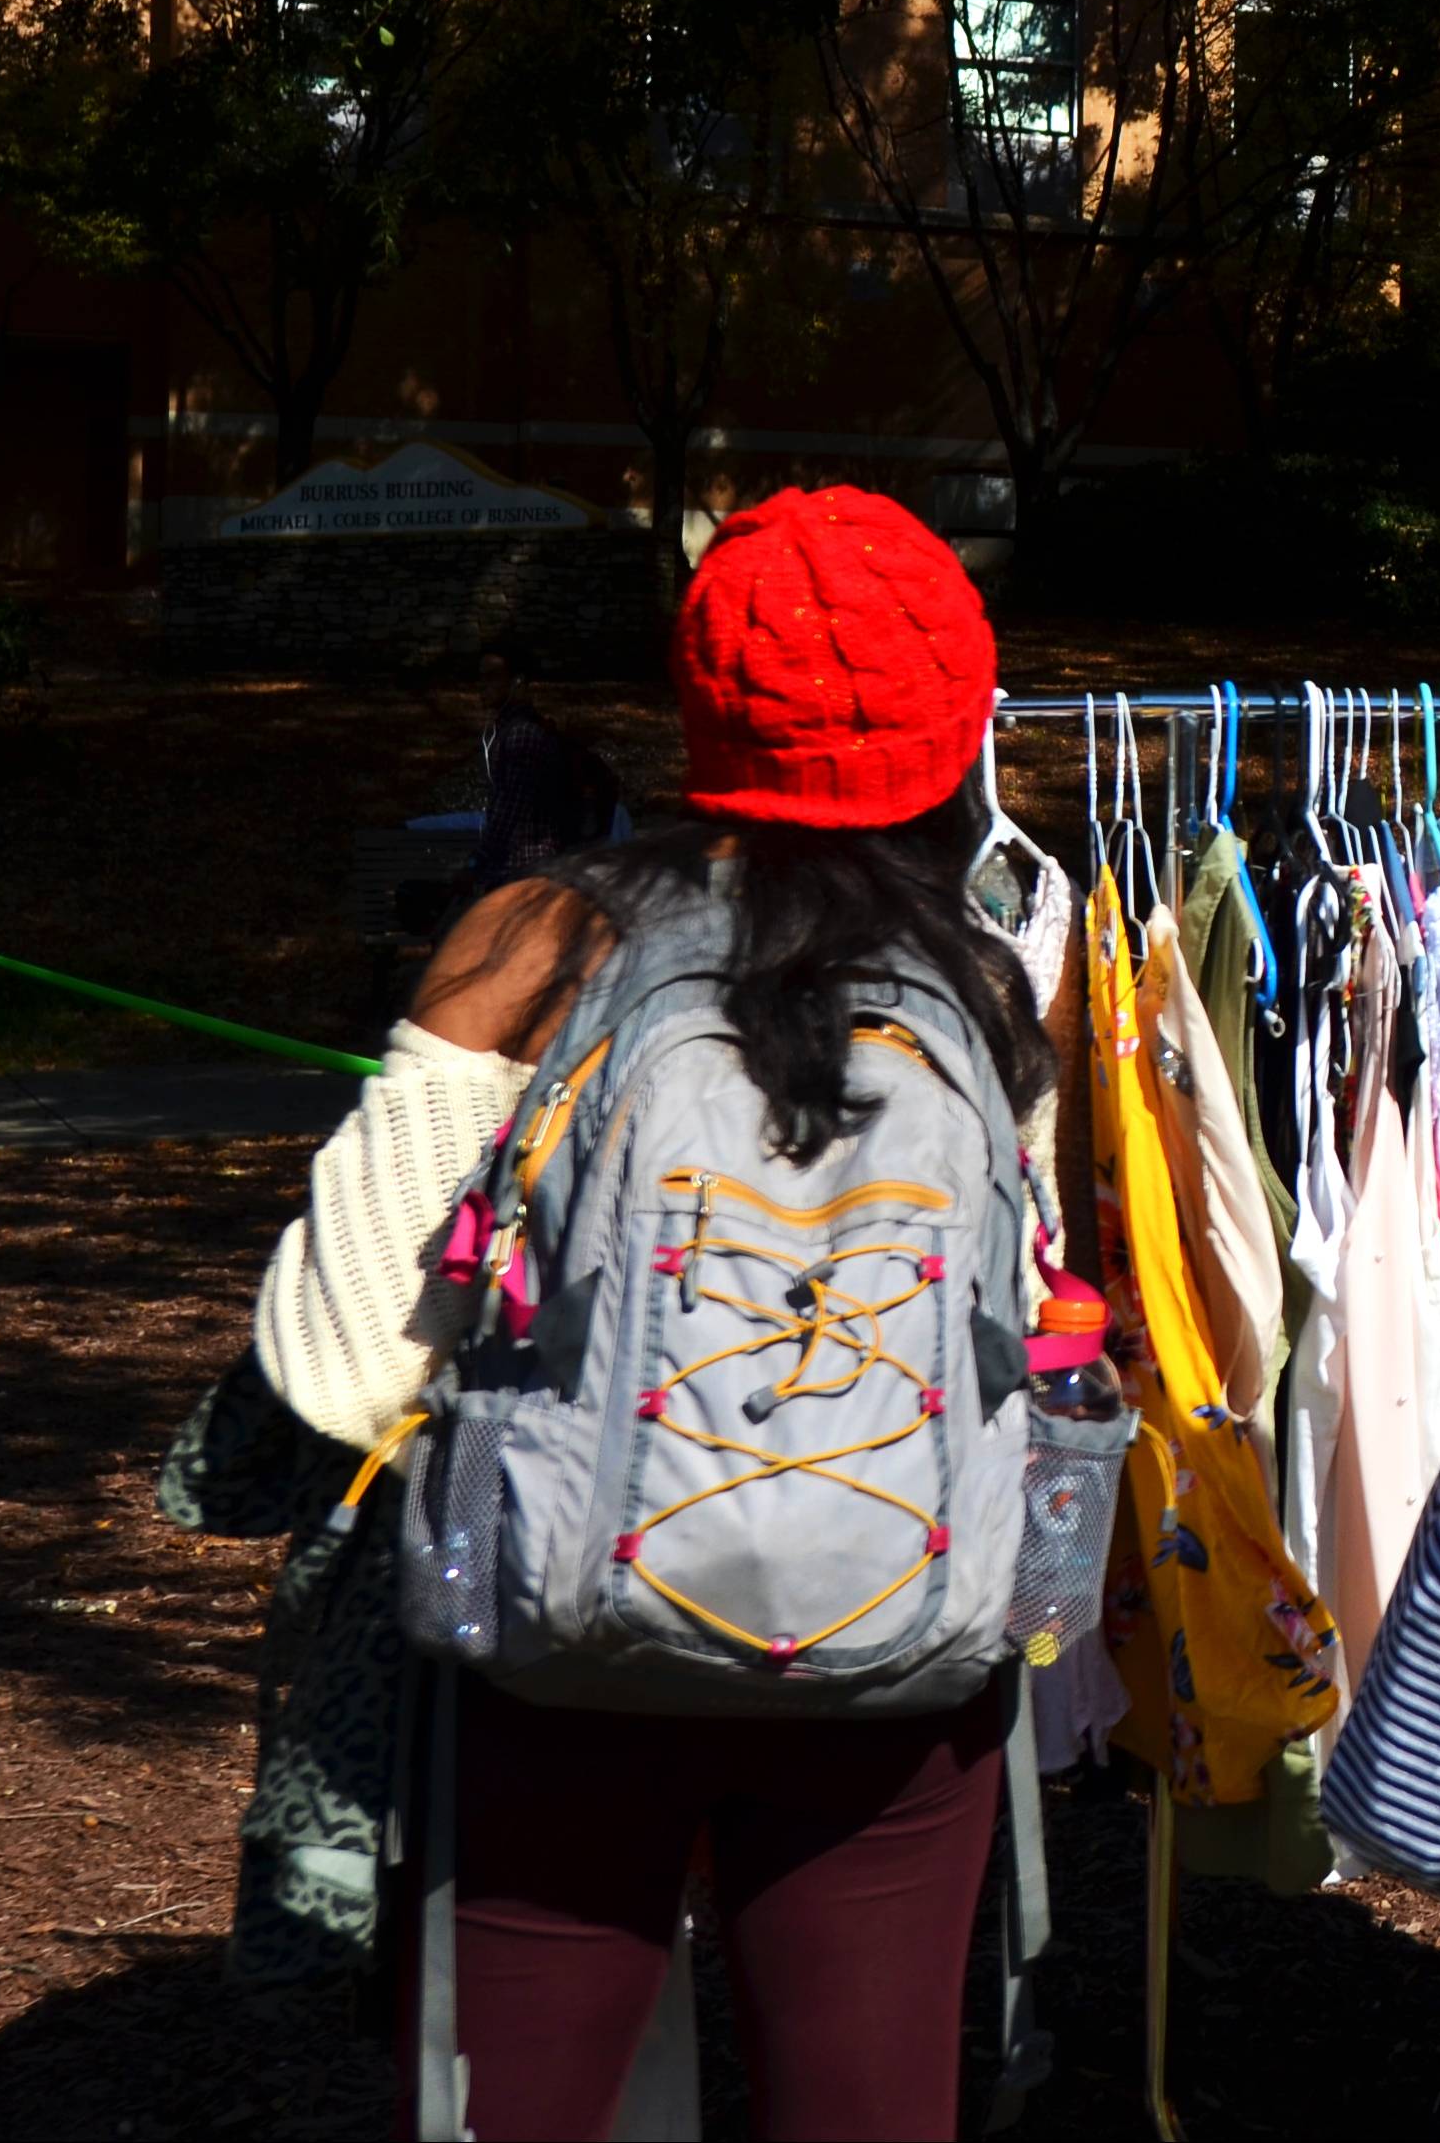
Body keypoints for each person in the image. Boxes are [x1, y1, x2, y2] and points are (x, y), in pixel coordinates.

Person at [390, 489, 1061, 2137]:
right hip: (899, 1665)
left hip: (558, 1643)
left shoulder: (533, 943)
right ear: (952, 727)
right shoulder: (984, 988)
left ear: (699, 697)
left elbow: (339, 1342)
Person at [466, 644, 623, 892]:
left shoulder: (522, 735)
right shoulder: (512, 730)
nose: (482, 685)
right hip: (521, 868)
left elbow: (511, 811)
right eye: (480, 676)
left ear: (518, 681)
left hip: (522, 869)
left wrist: (475, 863)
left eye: (492, 676)